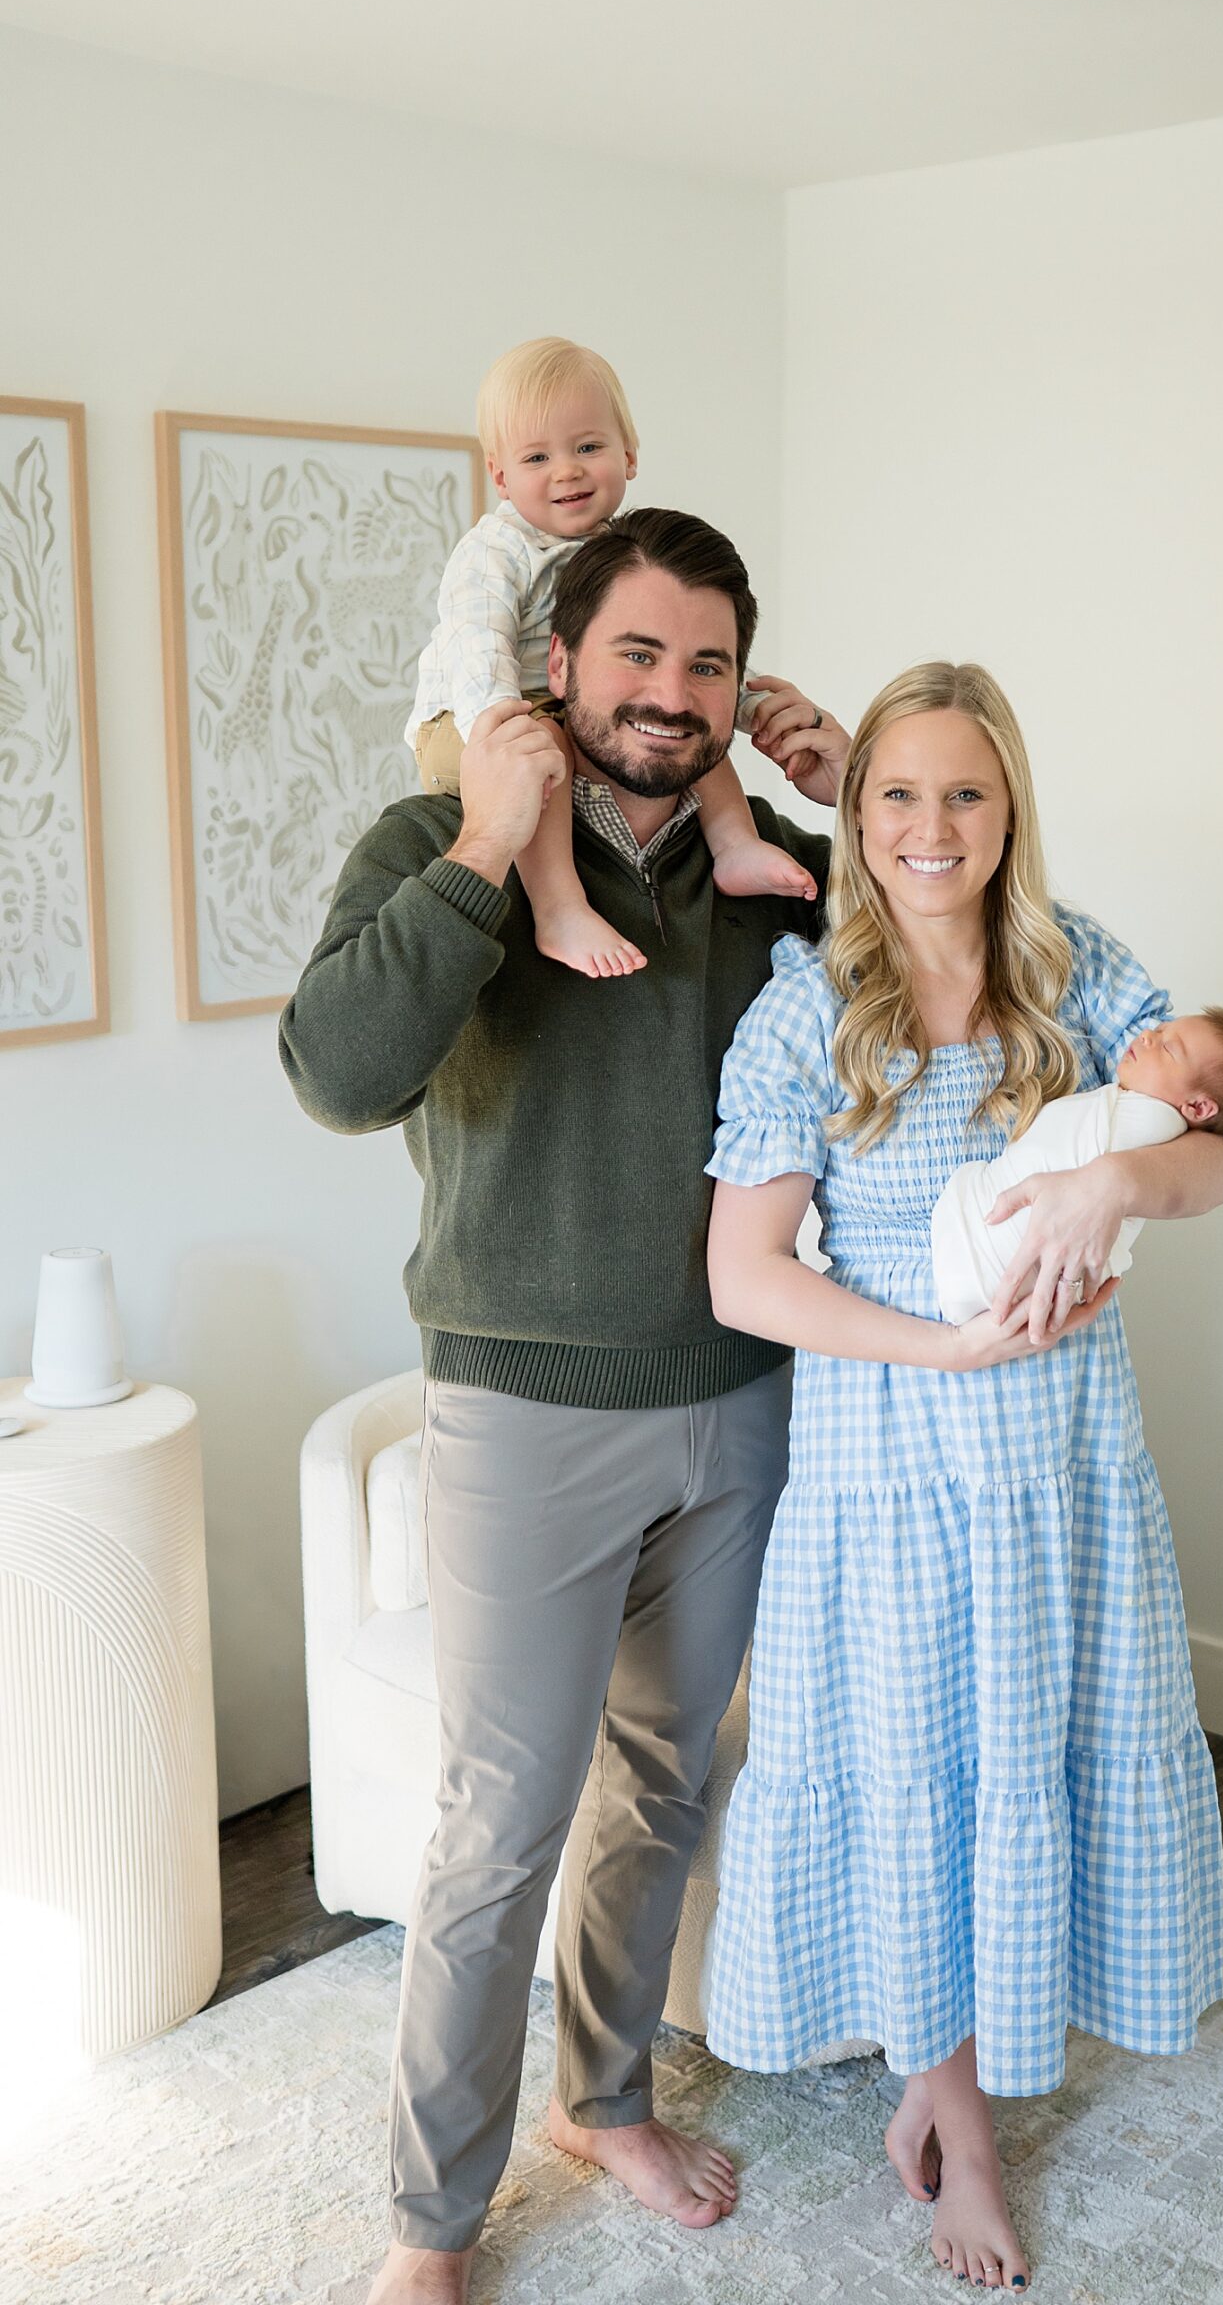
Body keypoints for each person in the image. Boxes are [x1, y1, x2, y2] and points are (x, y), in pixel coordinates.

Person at [281, 507, 847, 2305]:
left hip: (738, 1400)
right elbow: (334, 1074)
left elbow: (984, 973)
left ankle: (603, 2099)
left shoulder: (776, 878)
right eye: (634, 653)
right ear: (553, 663)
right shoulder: (439, 840)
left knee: (663, 1786)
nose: (669, 694)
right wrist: (484, 849)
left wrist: (855, 790)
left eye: (706, 663)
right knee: (497, 1823)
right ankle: (429, 2228)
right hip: (521, 1412)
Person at [702, 661, 1223, 2293]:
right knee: (917, 1776)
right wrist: (942, 1354)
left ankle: (982, 2064)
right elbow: (743, 1276)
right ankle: (954, 2117)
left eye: (962, 794)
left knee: (1030, 1755)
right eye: (895, 795)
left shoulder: (1076, 973)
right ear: (854, 813)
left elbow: (1220, 1153)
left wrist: (1120, 1187)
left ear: (1006, 809)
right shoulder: (807, 1006)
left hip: (1064, 1459)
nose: (927, 828)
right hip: (890, 1457)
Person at [406, 335, 815, 977]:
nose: (566, 470)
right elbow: (474, 642)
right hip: (472, 716)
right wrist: (497, 728)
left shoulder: (622, 555)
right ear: (501, 475)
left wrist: (757, 711)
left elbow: (673, 671)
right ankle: (560, 905)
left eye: (587, 447)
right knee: (545, 745)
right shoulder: (496, 552)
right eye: (538, 456)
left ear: (629, 457)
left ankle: (735, 845)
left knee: (691, 733)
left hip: (552, 709)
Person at [932, 1005, 1223, 1322]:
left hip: (986, 1263)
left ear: (1197, 1108)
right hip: (976, 1274)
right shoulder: (1138, 1106)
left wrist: (1112, 1180)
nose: (1148, 1035)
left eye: (1167, 1047)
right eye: (1160, 1030)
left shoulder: (1152, 1125)